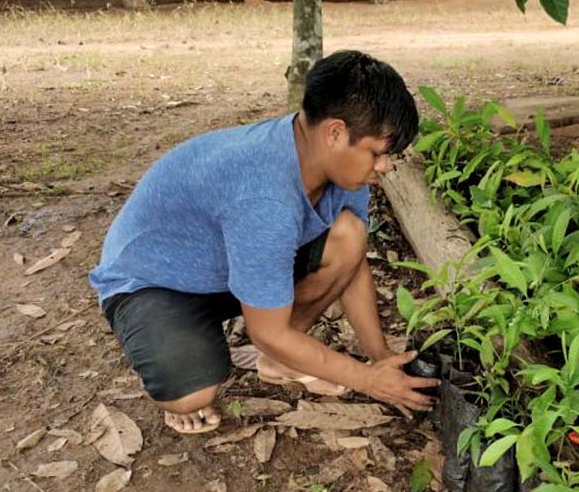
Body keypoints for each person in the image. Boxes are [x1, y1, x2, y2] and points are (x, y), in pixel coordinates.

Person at [89, 51, 438, 434]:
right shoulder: (266, 195)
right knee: (192, 394)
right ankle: (193, 364)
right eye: (377, 153)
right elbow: (266, 330)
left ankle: (281, 358)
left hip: (227, 263)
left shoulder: (333, 165)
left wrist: (379, 356)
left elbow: (353, 265)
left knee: (348, 234)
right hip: (154, 281)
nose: (384, 166)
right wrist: (367, 380)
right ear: (335, 133)